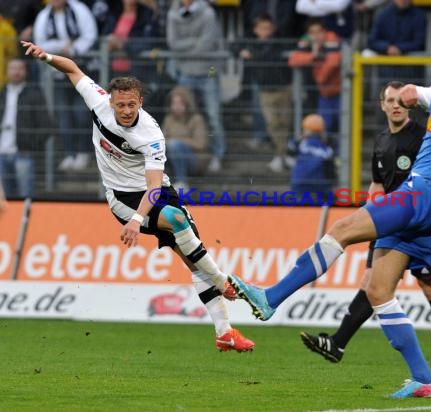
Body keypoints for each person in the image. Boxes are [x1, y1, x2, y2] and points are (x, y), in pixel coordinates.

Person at [228, 35, 431, 397]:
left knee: (342, 228)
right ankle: (425, 379)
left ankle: (271, 298)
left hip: (424, 196)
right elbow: (416, 92)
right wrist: (410, 92)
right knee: (379, 290)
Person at [21, 39, 256, 353]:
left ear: (141, 102)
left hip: (153, 191)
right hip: (122, 198)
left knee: (192, 259)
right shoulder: (99, 102)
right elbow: (73, 69)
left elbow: (155, 189)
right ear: (112, 102)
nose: (127, 111)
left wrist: (137, 221)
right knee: (175, 220)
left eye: (132, 105)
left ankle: (225, 332)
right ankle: (224, 281)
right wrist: (46, 55)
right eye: (121, 105)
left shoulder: (150, 135)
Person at [300, 81, 431, 367]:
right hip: (388, 220)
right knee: (371, 281)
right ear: (383, 104)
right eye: (391, 100)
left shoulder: (422, 137)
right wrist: (367, 215)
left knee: (430, 284)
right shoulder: (382, 140)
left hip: (418, 220)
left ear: (409, 105)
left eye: (401, 100)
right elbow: (378, 183)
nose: (396, 105)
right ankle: (337, 344)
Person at [33, 0, 98, 172]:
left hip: (82, 70)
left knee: (81, 112)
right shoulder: (44, 16)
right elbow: (40, 44)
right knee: (63, 115)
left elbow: (90, 35)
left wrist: (73, 50)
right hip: (58, 74)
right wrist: (61, 47)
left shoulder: (79, 9)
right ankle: (70, 153)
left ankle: (84, 152)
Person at [166, 0, 227, 173]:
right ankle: (185, 158)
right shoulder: (173, 13)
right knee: (181, 113)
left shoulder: (208, 13)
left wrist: (185, 45)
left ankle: (217, 155)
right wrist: (193, 42)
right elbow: (172, 43)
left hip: (209, 71)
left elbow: (205, 46)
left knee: (213, 115)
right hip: (185, 71)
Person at [235, 12, 292, 173]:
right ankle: (281, 155)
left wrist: (252, 55)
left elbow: (267, 56)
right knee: (273, 124)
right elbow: (233, 46)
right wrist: (241, 51)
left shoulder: (278, 41)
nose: (265, 31)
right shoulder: (250, 42)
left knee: (285, 123)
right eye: (261, 28)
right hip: (265, 91)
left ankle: (282, 155)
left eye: (268, 28)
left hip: (284, 89)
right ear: (255, 29)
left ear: (272, 29)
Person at [0, 58, 53, 198]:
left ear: (26, 72)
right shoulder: (2, 94)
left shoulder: (34, 94)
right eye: (13, 68)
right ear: (7, 71)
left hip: (23, 153)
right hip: (1, 153)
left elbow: (46, 125)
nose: (16, 72)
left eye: (20, 68)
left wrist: (30, 145)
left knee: (26, 196)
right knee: (4, 199)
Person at [288, 18, 342, 144]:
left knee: (343, 127)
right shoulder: (306, 41)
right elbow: (293, 60)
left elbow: (333, 61)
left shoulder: (332, 39)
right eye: (312, 32)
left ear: (325, 32)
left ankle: (341, 158)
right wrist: (313, 55)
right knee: (322, 127)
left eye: (319, 31)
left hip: (341, 93)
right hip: (323, 95)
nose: (316, 36)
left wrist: (320, 77)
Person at [163, 86, 207, 187]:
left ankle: (182, 182)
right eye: (174, 103)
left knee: (175, 145)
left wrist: (177, 141)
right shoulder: (168, 119)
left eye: (180, 103)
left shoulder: (197, 119)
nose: (177, 106)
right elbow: (161, 141)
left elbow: (200, 144)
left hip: (194, 160)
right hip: (171, 157)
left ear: (187, 104)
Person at [290, 113, 335, 196]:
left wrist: (299, 139)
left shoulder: (300, 143)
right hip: (320, 183)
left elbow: (290, 150)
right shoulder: (327, 147)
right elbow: (330, 169)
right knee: (331, 199)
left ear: (306, 130)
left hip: (298, 182)